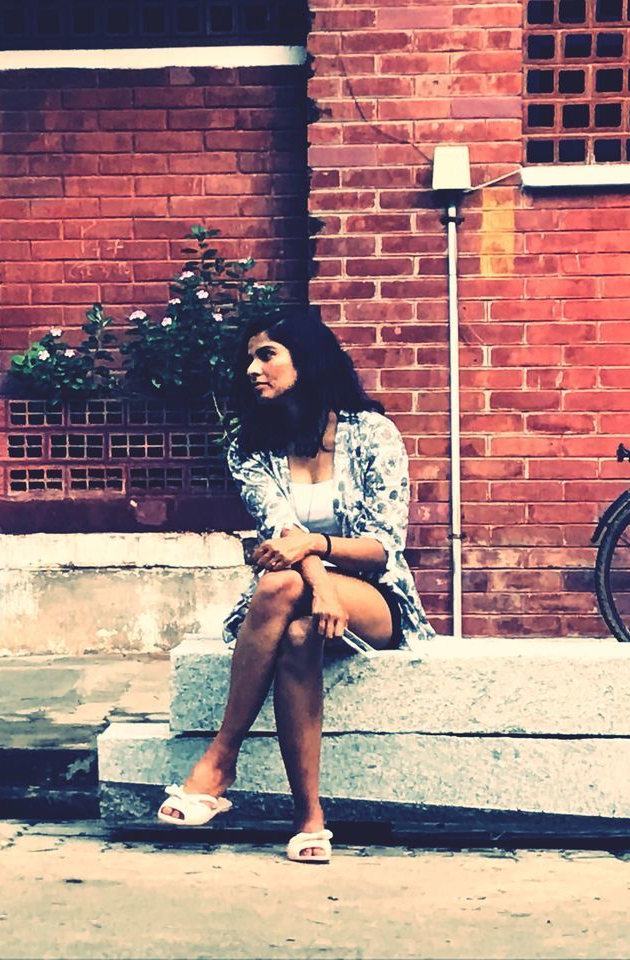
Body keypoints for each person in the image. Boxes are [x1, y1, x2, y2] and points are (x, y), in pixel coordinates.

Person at [157, 309, 437, 863]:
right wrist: (316, 579)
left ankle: (220, 760)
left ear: (305, 361)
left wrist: (318, 558)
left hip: (374, 597)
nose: (252, 370)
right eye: (248, 359)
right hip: (300, 596)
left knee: (279, 585)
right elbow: (281, 530)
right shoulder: (251, 446)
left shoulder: (372, 434)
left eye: (267, 356)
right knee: (298, 631)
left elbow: (383, 545)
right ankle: (310, 819)